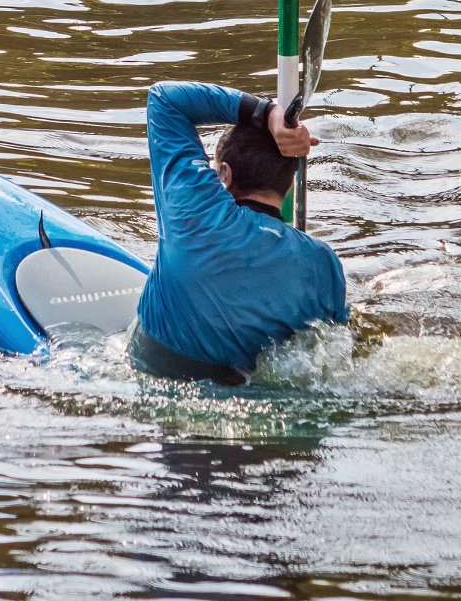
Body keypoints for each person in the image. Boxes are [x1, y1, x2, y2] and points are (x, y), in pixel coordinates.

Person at [127, 81, 348, 385]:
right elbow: (338, 348)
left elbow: (165, 98)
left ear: (225, 176)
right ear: (288, 185)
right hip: (258, 401)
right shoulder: (323, 264)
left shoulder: (197, 210)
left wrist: (267, 113)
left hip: (153, 378)